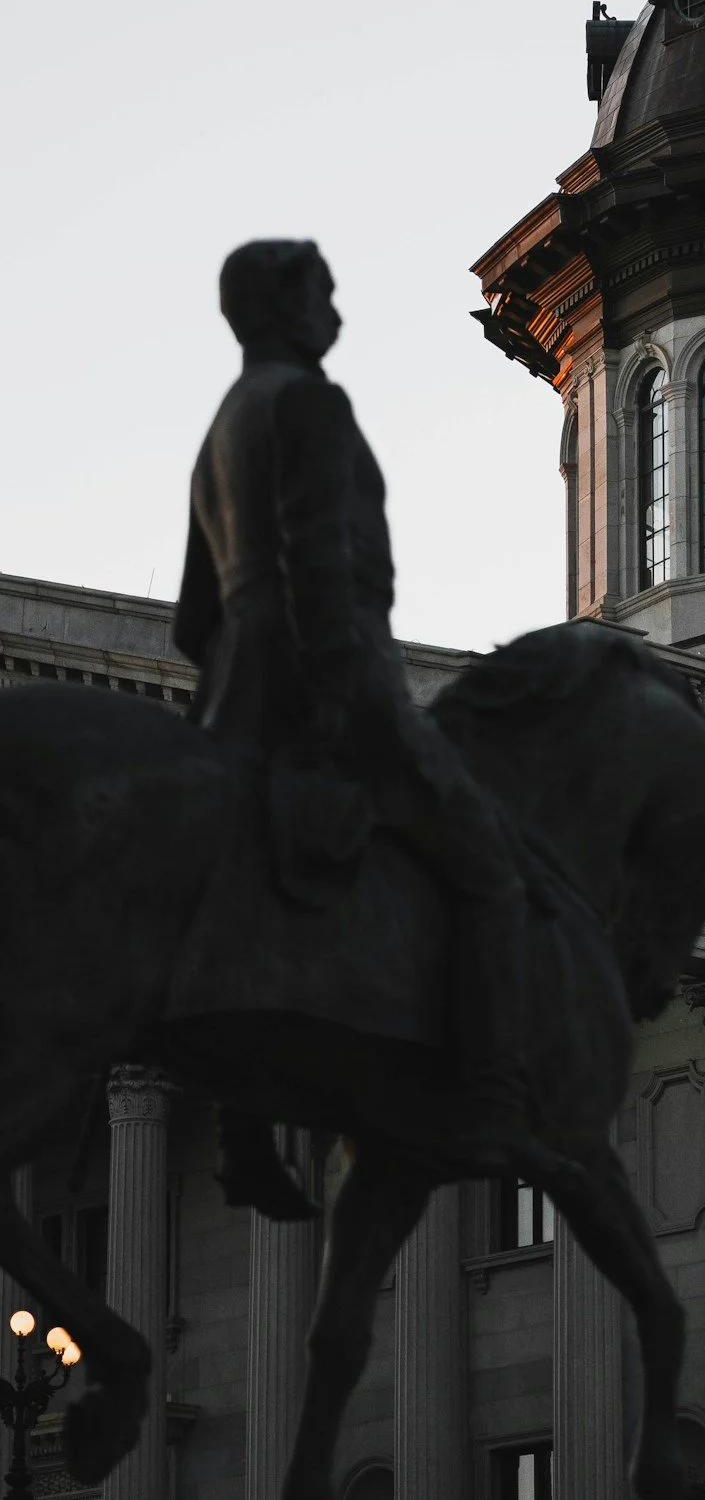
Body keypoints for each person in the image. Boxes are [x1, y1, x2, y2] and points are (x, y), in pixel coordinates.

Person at [174, 237, 540, 1213]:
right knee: (489, 866)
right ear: (286, 307)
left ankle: (239, 1121)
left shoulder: (227, 418)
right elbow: (320, 565)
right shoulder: (312, 402)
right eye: (324, 294)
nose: (335, 311)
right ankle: (493, 1100)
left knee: (243, 885)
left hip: (232, 687)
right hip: (340, 673)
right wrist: (344, 705)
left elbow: (190, 618)